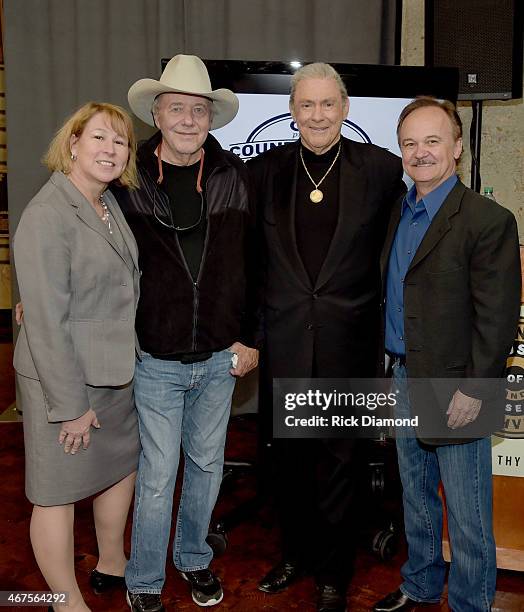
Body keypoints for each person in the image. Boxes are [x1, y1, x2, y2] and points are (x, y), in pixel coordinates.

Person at [248, 62, 405, 612]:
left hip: (350, 344)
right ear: (292, 112)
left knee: (343, 463)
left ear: (345, 108)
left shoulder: (383, 170)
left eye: (327, 104)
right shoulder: (263, 171)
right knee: (288, 460)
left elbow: (407, 247)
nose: (317, 115)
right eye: (306, 105)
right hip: (287, 341)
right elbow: (243, 258)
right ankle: (296, 556)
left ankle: (335, 574)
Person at [113, 55, 258, 612]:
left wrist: (249, 338)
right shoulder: (127, 180)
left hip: (221, 358)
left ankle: (193, 559)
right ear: (158, 112)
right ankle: (145, 579)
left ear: (211, 118)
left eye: (199, 110)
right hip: (155, 358)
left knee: (207, 467)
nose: (189, 119)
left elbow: (255, 266)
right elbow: (92, 250)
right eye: (177, 108)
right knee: (157, 474)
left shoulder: (233, 178)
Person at [373, 97, 520, 612]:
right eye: (410, 143)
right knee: (415, 499)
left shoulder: (487, 220)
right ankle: (420, 584)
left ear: (457, 147)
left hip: (455, 386)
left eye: (432, 140)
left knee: (467, 514)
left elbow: (497, 319)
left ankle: (469, 604)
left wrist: (475, 390)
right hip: (401, 377)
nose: (421, 152)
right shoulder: (397, 211)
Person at [13, 102, 141, 612]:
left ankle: (113, 563)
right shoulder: (48, 214)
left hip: (114, 373)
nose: (111, 150)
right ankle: (64, 601)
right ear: (72, 143)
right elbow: (44, 321)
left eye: (121, 142)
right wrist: (70, 406)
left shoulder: (107, 205)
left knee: (118, 469)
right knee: (56, 491)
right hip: (63, 382)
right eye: (100, 139)